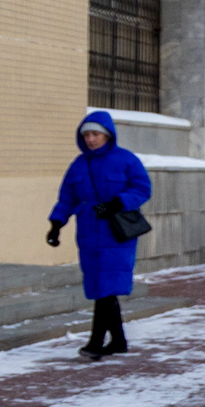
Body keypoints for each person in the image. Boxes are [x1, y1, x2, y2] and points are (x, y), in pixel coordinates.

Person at [46, 109, 152, 359]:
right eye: (87, 135)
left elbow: (142, 188)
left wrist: (118, 202)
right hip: (89, 233)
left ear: (107, 135)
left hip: (116, 234)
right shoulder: (78, 165)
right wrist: (56, 224)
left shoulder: (126, 160)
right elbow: (67, 197)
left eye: (95, 134)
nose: (90, 139)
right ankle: (118, 341)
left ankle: (95, 343)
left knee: (106, 287)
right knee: (99, 287)